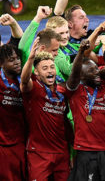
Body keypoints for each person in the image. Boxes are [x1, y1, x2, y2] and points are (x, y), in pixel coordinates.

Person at [65, 37, 105, 181]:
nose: (97, 73)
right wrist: (81, 52)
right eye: (91, 71)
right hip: (86, 151)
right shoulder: (76, 91)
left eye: (96, 69)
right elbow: (74, 74)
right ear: (82, 75)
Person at [20, 39, 71, 181]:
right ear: (36, 72)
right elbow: (24, 81)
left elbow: (65, 123)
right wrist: (31, 58)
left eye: (52, 67)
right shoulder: (34, 88)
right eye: (45, 68)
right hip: (39, 154)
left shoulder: (62, 91)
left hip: (62, 152)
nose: (50, 71)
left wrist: (70, 153)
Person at [0, 44, 25, 180]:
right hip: (3, 145)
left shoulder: (24, 80)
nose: (17, 62)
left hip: (22, 142)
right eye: (11, 60)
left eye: (17, 58)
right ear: (1, 64)